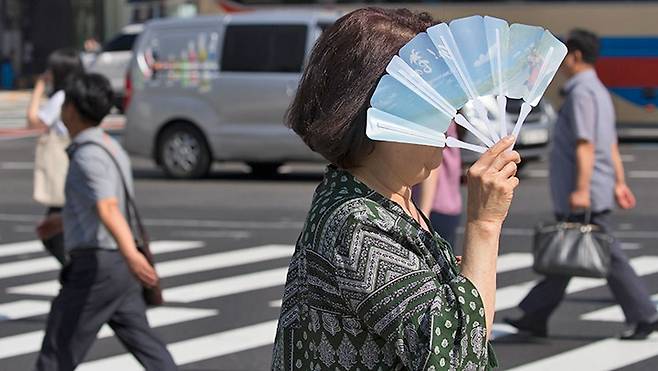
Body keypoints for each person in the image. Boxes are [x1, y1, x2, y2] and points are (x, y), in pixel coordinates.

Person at [272, 8, 521, 370]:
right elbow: (455, 357)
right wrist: (484, 225)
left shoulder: (385, 196)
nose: (450, 121)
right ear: (377, 115)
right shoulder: (356, 224)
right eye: (431, 104)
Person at [505, 29, 658, 340]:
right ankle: (534, 313)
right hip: (596, 186)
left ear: (575, 55)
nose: (560, 65)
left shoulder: (581, 93)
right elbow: (610, 142)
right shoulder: (596, 89)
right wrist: (619, 181)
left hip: (585, 190)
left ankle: (644, 314)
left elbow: (586, 144)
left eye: (563, 56)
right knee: (573, 248)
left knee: (602, 251)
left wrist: (581, 189)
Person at [34, 72, 177, 370]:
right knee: (146, 345)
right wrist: (61, 222)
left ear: (71, 110)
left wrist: (132, 257)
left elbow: (109, 208)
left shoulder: (89, 156)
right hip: (117, 269)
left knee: (56, 351)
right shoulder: (111, 149)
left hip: (97, 267)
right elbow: (100, 206)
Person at [28, 48, 83, 264]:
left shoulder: (60, 98)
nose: (48, 73)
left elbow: (33, 120)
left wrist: (38, 87)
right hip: (77, 171)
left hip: (63, 177)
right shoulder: (77, 94)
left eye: (51, 69)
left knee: (52, 232)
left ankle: (75, 273)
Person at [418, 122, 463, 249]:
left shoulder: (434, 113)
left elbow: (431, 166)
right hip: (448, 202)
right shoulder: (446, 111)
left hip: (432, 206)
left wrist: (423, 215)